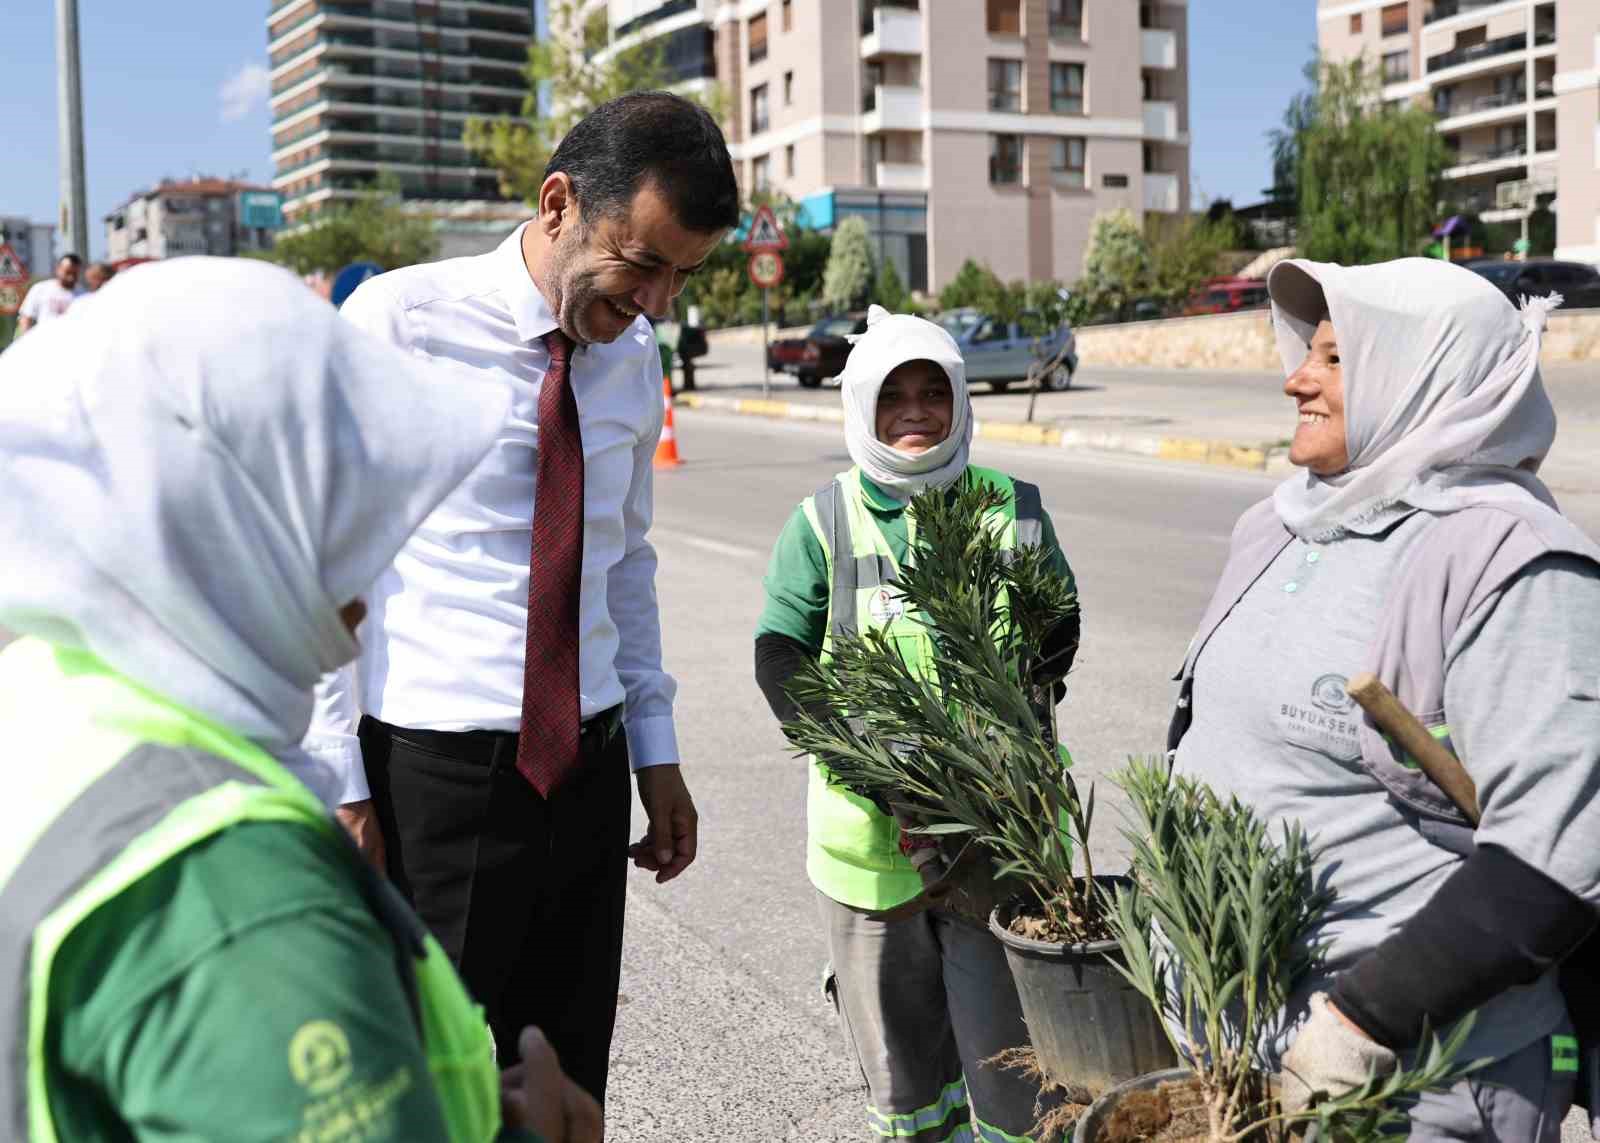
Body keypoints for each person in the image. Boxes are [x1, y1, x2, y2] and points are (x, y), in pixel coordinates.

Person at [0, 257, 601, 1142]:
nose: (360, 607)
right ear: (226, 529)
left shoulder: (51, 688)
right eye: (338, 527)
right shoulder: (242, 904)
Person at [305, 90, 740, 1103]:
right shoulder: (396, 324)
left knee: (564, 1080)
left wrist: (656, 752)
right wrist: (339, 778)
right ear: (558, 203)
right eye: (643, 264)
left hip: (584, 771)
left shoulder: (633, 360)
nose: (659, 304)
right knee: (433, 1087)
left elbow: (623, 563)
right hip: (433, 784)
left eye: (683, 276)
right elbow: (327, 562)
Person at [1168, 257, 1600, 1141]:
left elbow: (1554, 859)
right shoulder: (1284, 521)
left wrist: (1363, 1021)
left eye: (1333, 360)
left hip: (1405, 1081)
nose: (1296, 378)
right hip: (1242, 1055)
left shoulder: (1510, 560)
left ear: (1424, 375)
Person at [754, 305, 1081, 1142]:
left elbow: (1059, 627)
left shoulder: (1015, 506)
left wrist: (1005, 730)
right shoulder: (824, 519)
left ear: (961, 400)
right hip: (869, 853)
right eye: (892, 393)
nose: (915, 410)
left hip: (999, 844)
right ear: (861, 404)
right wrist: (877, 764)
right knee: (908, 1087)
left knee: (1015, 1073)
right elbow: (780, 656)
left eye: (934, 390)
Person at [15, 253, 82, 334]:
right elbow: (26, 318)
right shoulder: (40, 289)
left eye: (74, 274)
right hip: (45, 342)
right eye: (67, 272)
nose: (71, 277)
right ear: (58, 269)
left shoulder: (83, 295)